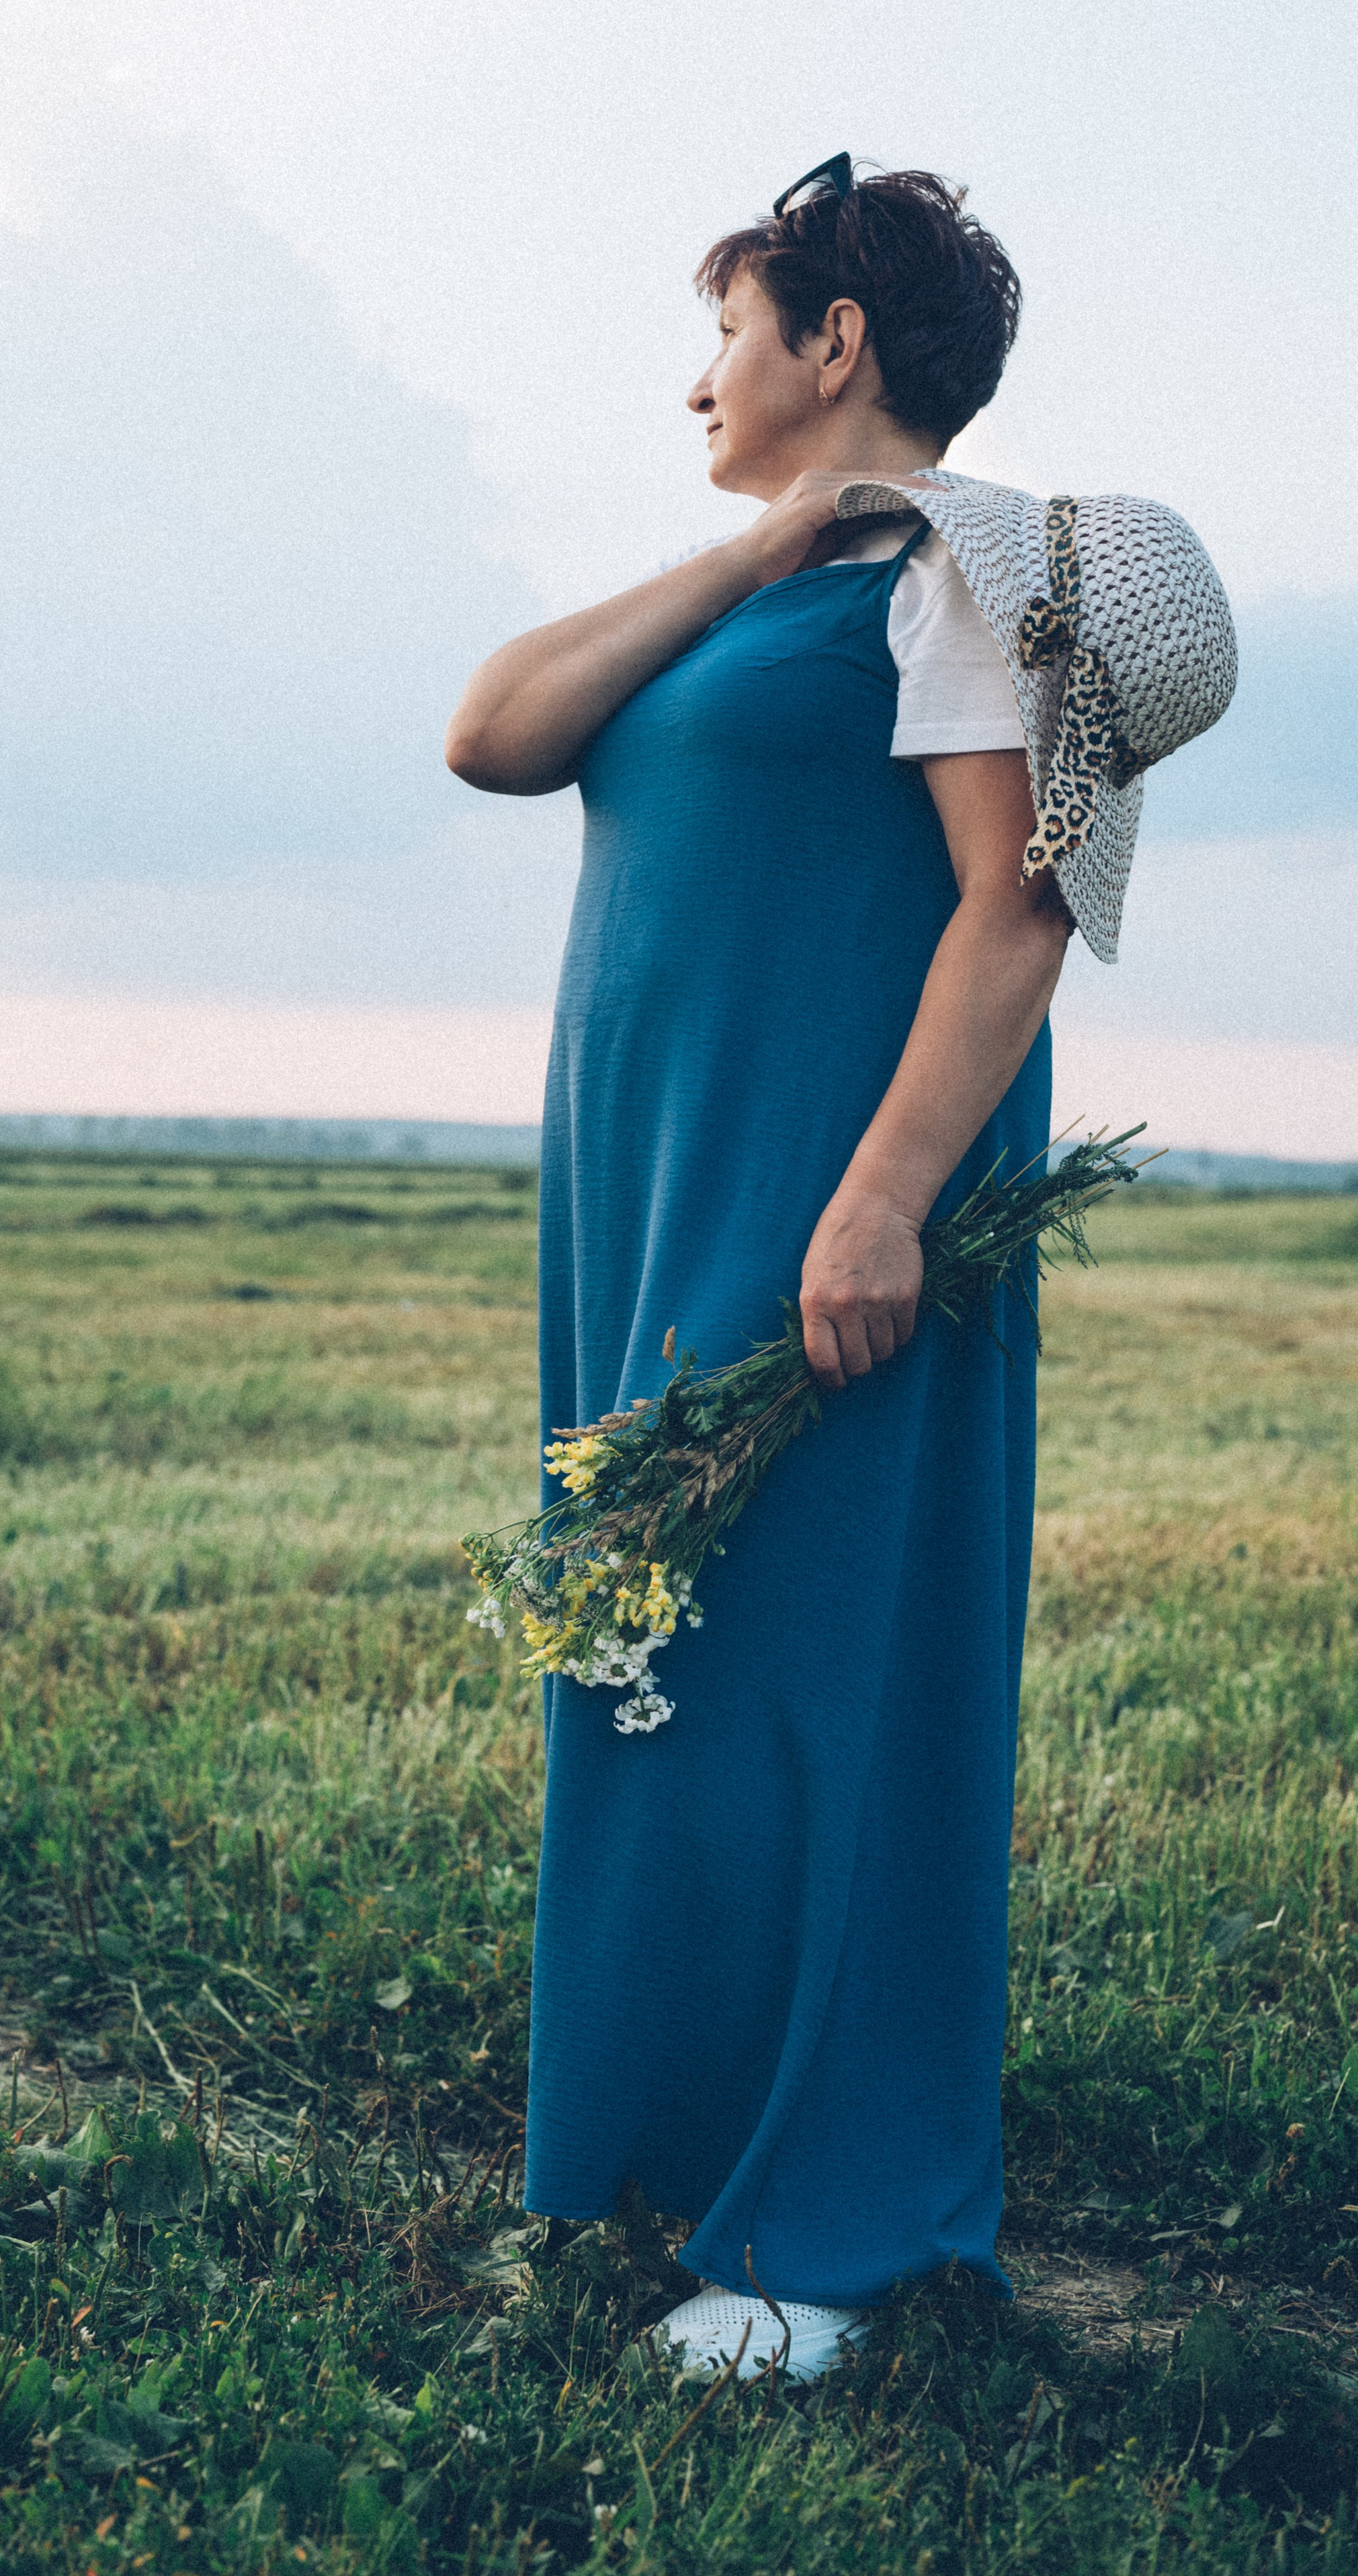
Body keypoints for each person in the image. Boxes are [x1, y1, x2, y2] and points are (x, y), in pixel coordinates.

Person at [444, 157, 1230, 2385]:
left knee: (826, 1665)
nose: (697, 374)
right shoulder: (768, 580)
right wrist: (752, 549)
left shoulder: (971, 586)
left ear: (835, 340)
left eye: (729, 326)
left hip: (824, 1183)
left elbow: (1017, 909)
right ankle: (670, 2154)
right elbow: (491, 729)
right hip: (656, 1177)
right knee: (656, 1636)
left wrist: (882, 1195)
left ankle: (834, 2233)